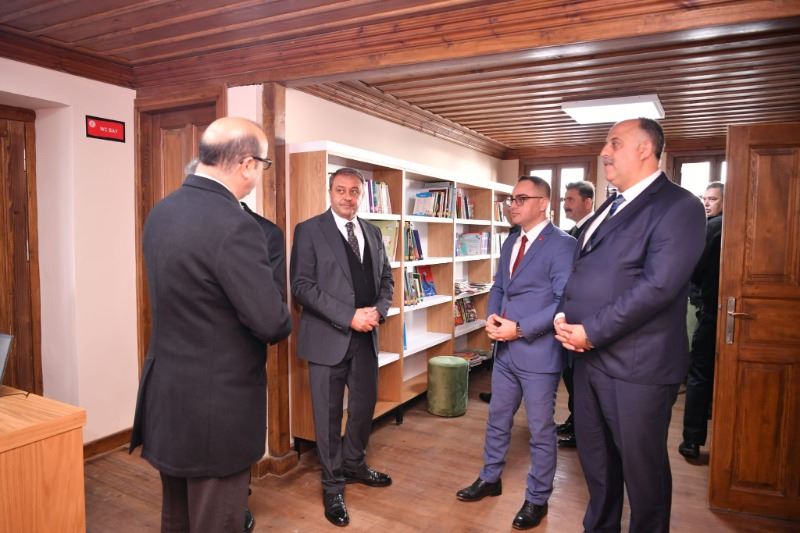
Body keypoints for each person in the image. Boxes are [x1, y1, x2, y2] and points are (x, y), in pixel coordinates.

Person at [130, 117, 292, 532]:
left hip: (168, 397)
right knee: (216, 521)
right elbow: (271, 323)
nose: (259, 173)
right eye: (262, 165)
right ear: (246, 164)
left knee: (178, 518)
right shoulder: (235, 225)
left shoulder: (162, 212)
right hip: (216, 408)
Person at [554, 118, 706, 533]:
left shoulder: (680, 206)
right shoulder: (610, 205)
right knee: (597, 466)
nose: (604, 152)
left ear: (644, 149)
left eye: (614, 143)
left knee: (643, 474)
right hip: (588, 361)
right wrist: (565, 314)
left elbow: (658, 287)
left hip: (638, 367)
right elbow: (586, 270)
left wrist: (592, 331)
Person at [456, 176, 576, 530]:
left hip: (538, 352)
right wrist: (492, 318)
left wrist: (519, 329)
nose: (513, 205)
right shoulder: (511, 240)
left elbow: (563, 302)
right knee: (497, 419)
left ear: (544, 203)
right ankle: (489, 478)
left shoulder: (563, 245)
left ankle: (537, 499)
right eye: (512, 199)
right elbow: (500, 287)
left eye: (521, 198)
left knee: (540, 430)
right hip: (505, 350)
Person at [290, 167, 394, 527]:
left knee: (364, 408)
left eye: (354, 191)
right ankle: (332, 485)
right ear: (330, 192)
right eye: (341, 190)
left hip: (366, 338)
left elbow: (386, 279)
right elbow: (302, 286)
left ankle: (354, 465)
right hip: (327, 339)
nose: (348, 197)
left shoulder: (373, 232)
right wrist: (349, 316)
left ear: (362, 195)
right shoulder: (309, 230)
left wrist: (379, 311)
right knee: (328, 416)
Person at [679, 181, 724, 460]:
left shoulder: (712, 228)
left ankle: (692, 441)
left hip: (712, 310)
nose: (707, 203)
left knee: (700, 374)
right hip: (721, 310)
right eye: (705, 198)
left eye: (713, 199)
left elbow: (693, 270)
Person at [556, 180, 595, 448]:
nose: (565, 205)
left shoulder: (595, 231)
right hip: (569, 316)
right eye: (564, 200)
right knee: (571, 375)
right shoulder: (573, 231)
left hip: (584, 319)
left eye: (570, 200)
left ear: (587, 202)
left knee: (581, 378)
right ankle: (575, 419)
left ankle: (584, 431)